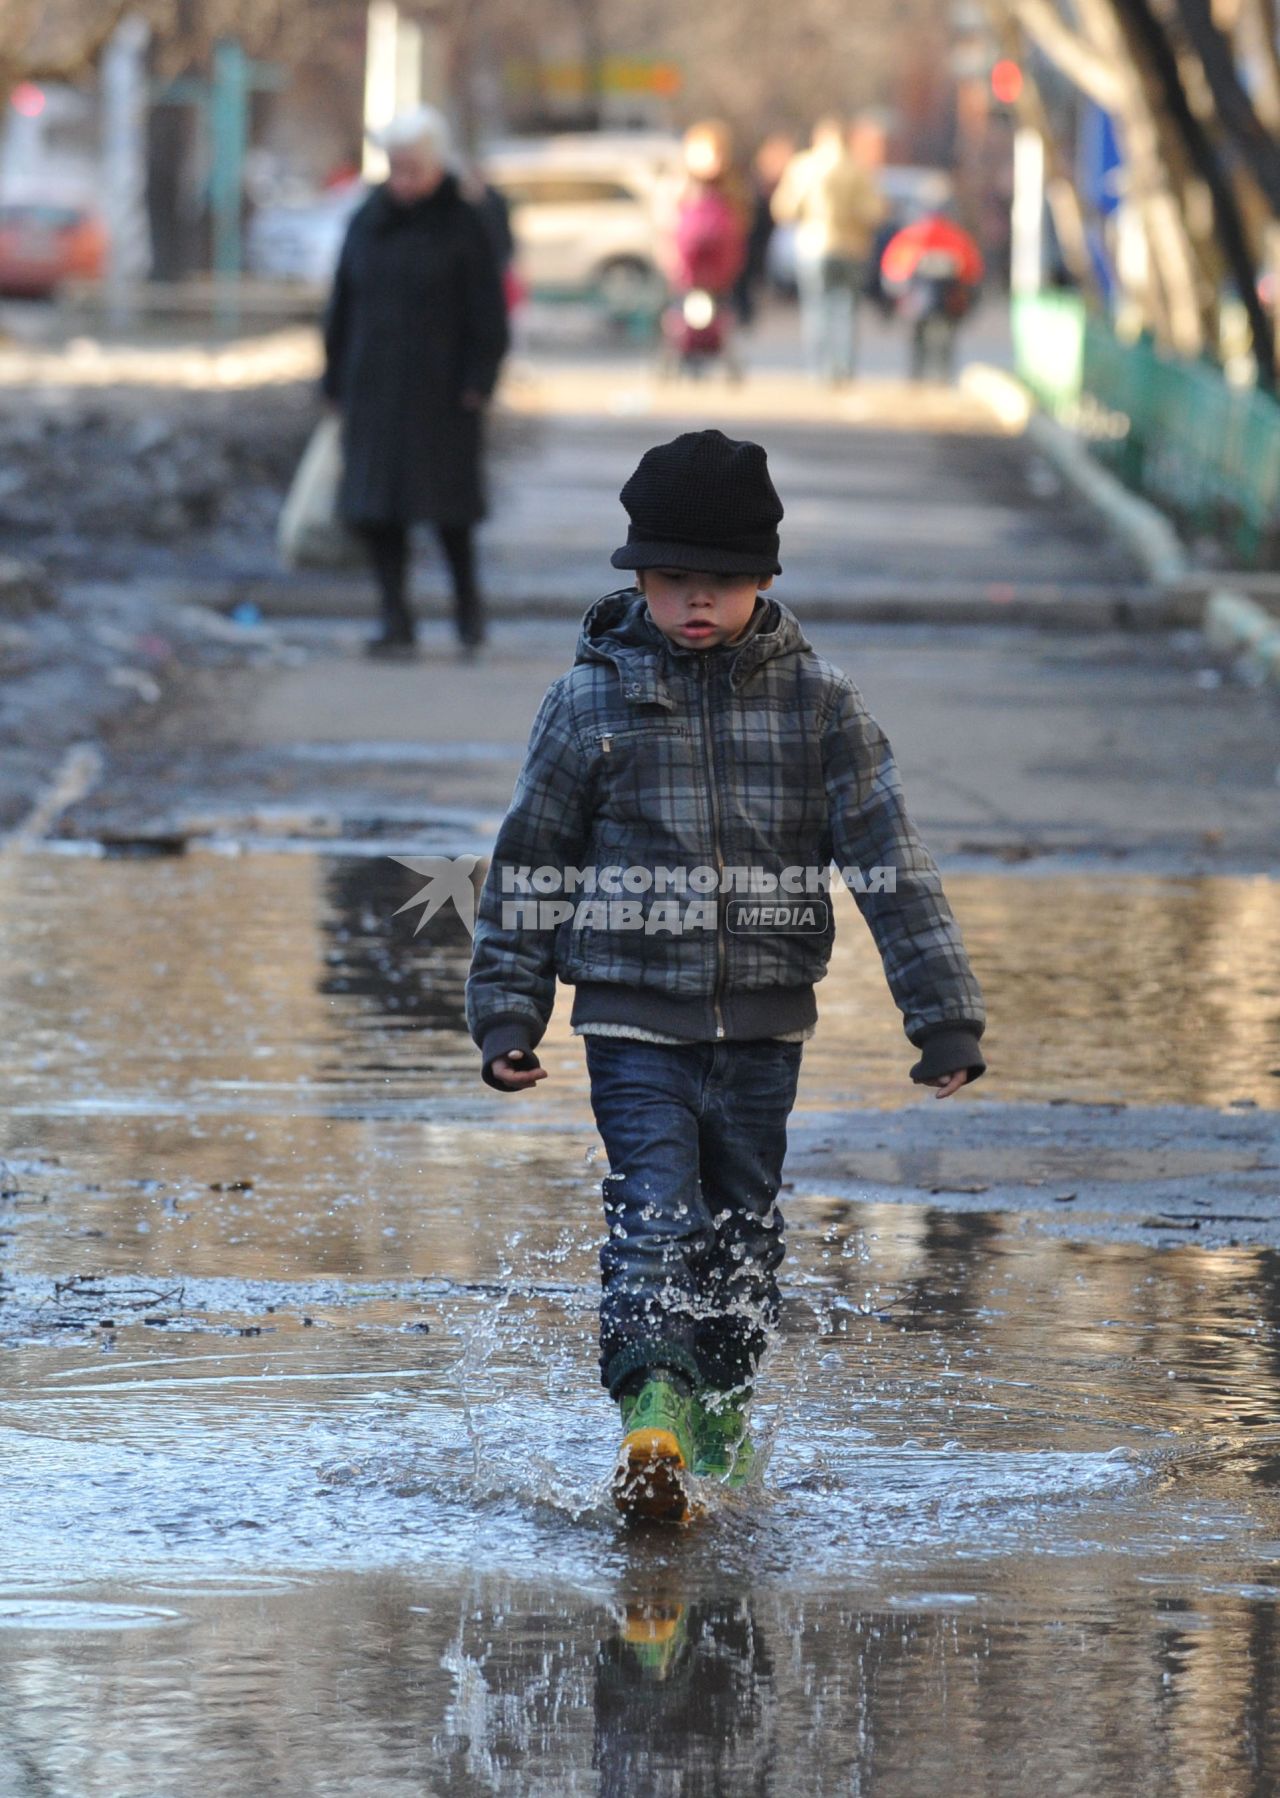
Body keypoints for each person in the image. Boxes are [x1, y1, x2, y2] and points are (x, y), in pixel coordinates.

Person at [465, 429, 986, 1522]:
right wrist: (510, 1010)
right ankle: (649, 1405)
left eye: (720, 583)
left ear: (762, 581)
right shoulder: (587, 704)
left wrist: (940, 1018)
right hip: (630, 1021)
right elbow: (531, 864)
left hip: (761, 1028)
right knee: (652, 1207)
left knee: (743, 1225)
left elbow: (888, 862)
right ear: (639, 578)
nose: (695, 603)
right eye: (671, 583)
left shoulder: (818, 707)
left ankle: (721, 1409)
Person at [322, 106, 509, 658]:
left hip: (444, 389)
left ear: (435, 165)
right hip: (374, 385)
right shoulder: (367, 219)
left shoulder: (464, 221)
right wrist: (333, 375)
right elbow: (342, 304)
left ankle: (467, 612)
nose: (402, 180)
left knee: (450, 511)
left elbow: (488, 310)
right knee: (378, 510)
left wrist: (481, 375)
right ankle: (393, 616)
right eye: (395, 167)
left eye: (412, 168)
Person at [770, 118, 886, 383]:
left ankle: (818, 369)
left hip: (813, 246)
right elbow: (874, 211)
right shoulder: (858, 169)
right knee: (846, 309)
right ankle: (843, 368)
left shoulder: (803, 166)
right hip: (851, 247)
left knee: (816, 308)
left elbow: (784, 208)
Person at [880, 208, 985, 381]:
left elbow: (892, 271)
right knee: (945, 338)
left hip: (917, 304)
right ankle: (941, 375)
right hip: (949, 302)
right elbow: (973, 272)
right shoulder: (957, 237)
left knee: (916, 336)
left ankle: (916, 375)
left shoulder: (911, 236)